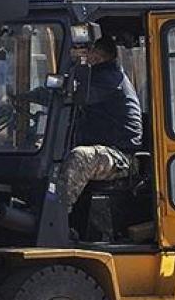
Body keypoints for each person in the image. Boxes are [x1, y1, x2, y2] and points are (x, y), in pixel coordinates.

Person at [58, 36, 144, 214]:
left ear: (97, 57)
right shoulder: (99, 76)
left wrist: (72, 65)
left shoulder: (109, 79)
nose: (85, 57)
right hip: (106, 147)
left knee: (80, 157)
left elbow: (72, 95)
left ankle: (58, 218)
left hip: (122, 156)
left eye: (87, 52)